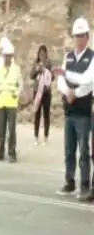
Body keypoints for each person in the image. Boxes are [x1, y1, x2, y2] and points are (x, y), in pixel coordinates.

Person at [54, 17, 94, 201]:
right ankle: (69, 181)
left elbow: (88, 82)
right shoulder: (68, 57)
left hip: (84, 111)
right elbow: (60, 80)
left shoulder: (91, 57)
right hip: (69, 110)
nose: (78, 39)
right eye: (76, 36)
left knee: (84, 151)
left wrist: (75, 93)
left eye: (81, 35)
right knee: (69, 149)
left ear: (87, 37)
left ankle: (85, 184)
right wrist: (67, 91)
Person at [0, 40, 23, 163]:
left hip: (11, 102)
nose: (7, 58)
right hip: (0, 102)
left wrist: (17, 93)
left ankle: (12, 153)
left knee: (11, 129)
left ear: (12, 56)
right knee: (1, 129)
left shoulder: (16, 69)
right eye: (6, 56)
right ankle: (0, 152)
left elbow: (20, 84)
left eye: (9, 56)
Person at [30, 44, 53, 145]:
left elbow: (53, 77)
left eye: (43, 54)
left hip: (46, 92)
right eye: (40, 54)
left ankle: (46, 137)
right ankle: (35, 137)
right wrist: (37, 70)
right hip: (37, 92)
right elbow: (31, 76)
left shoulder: (49, 63)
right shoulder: (35, 63)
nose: (41, 56)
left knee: (46, 114)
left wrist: (46, 72)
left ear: (46, 54)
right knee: (37, 114)